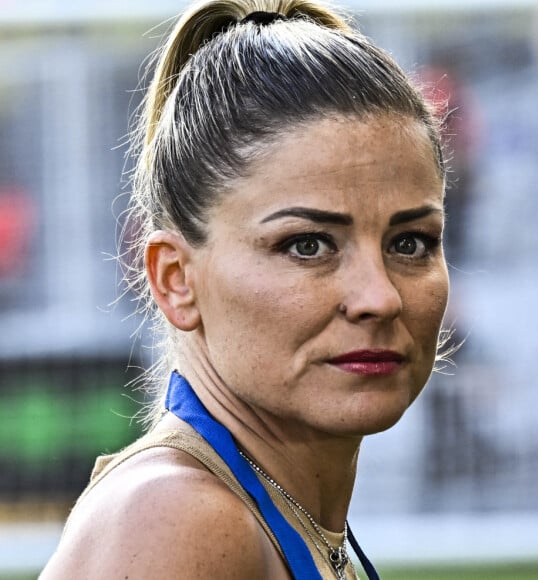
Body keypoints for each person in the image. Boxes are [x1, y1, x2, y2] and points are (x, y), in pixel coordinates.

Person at [40, 0, 449, 578]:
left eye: (410, 242)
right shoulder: (181, 521)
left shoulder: (273, 512)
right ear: (175, 280)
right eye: (307, 245)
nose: (380, 297)